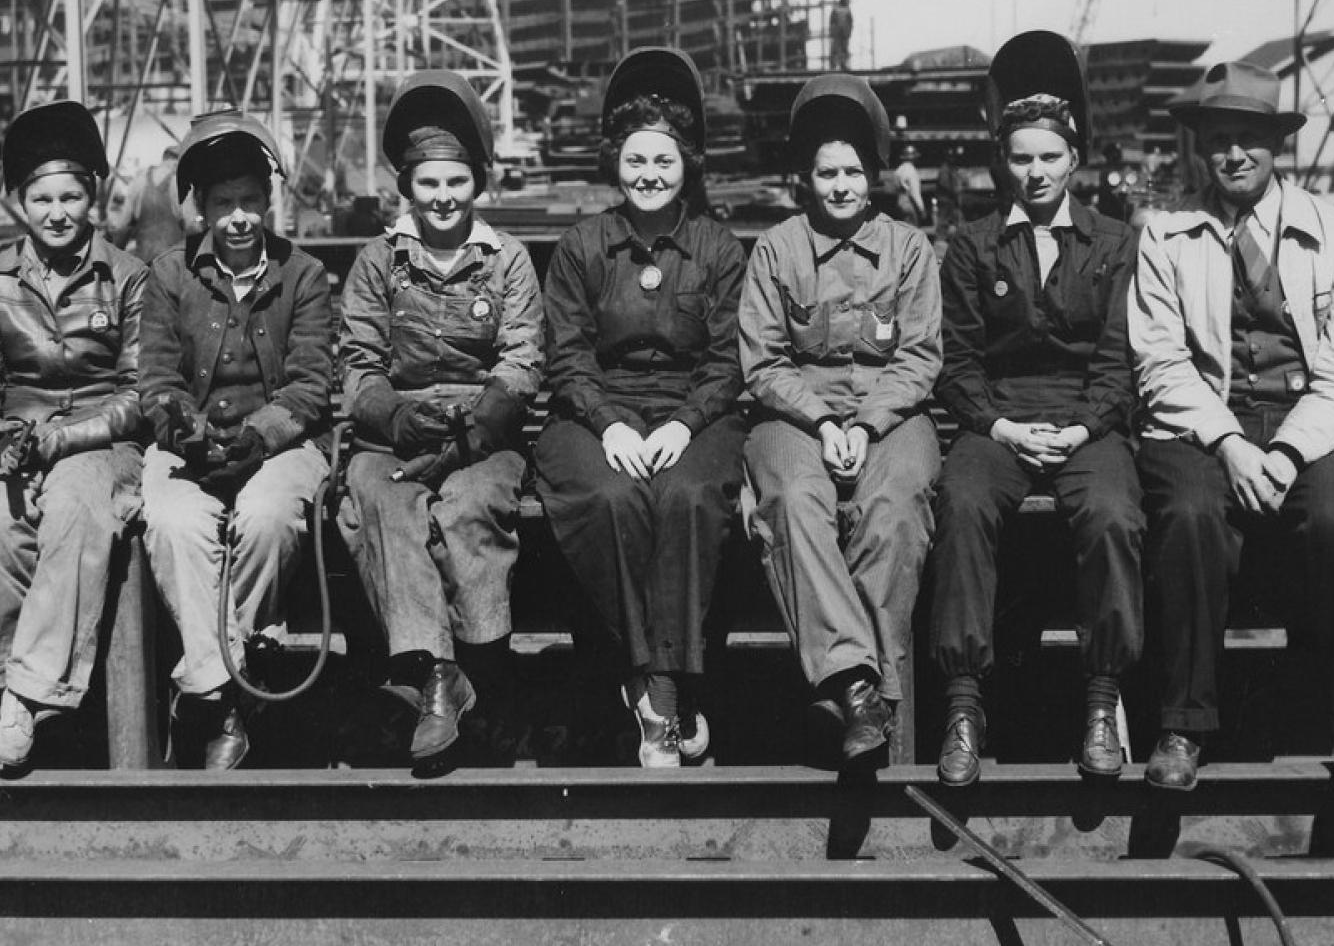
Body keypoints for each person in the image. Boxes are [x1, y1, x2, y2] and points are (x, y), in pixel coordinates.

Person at [1130, 61, 1334, 796]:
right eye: (1219, 139)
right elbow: (1160, 361)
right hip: (1203, 420)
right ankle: (1183, 727)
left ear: (1279, 145)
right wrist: (1230, 444)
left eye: (1250, 137)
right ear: (1200, 149)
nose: (1234, 154)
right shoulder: (1166, 236)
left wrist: (1282, 451)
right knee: (1186, 516)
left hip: (1314, 419)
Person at [927, 30, 1143, 787]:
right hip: (1001, 418)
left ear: (1074, 159)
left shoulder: (1116, 244)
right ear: (1003, 162)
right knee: (959, 501)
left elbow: (1121, 361)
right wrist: (1000, 427)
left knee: (1113, 512)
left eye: (1049, 157)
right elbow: (956, 364)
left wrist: (1084, 428)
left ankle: (1102, 695)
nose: (1035, 172)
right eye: (1021, 158)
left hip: (1091, 420)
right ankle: (963, 702)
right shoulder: (972, 246)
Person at [533, 48, 747, 768]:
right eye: (634, 161)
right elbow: (565, 354)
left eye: (663, 161)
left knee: (689, 496)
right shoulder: (583, 245)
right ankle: (661, 692)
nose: (648, 175)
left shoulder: (716, 248)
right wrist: (609, 422)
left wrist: (687, 423)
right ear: (614, 164)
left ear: (687, 164)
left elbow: (726, 360)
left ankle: (660, 687)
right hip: (597, 412)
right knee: (608, 496)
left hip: (695, 412)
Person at [336, 71, 544, 766]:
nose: (443, 198)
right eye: (428, 184)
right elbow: (358, 363)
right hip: (396, 432)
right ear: (407, 188)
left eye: (456, 182)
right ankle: (435, 675)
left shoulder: (506, 260)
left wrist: (472, 434)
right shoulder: (378, 262)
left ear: (477, 184)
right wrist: (395, 420)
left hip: (483, 434)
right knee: (383, 502)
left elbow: (520, 361)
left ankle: (486, 670)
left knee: (468, 507)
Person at [739, 74, 942, 769]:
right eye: (826, 173)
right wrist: (826, 423)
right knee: (792, 500)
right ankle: (859, 686)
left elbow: (918, 357)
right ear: (806, 178)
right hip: (794, 415)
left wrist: (870, 423)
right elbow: (763, 362)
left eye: (853, 171)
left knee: (896, 508)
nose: (841, 186)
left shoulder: (908, 249)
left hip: (893, 413)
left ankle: (865, 706)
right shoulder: (778, 250)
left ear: (873, 176)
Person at [0, 101, 148, 769]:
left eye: (71, 196)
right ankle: (26, 687)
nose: (57, 212)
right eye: (41, 198)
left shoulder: (127, 275)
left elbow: (138, 391)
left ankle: (25, 697)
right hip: (19, 430)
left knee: (73, 509)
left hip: (99, 436)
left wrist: (70, 439)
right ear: (20, 202)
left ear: (92, 196)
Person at [138, 110, 333, 770]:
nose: (240, 218)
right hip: (190, 449)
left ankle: (204, 687)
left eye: (251, 200)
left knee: (270, 516)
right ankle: (226, 696)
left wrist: (259, 436)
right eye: (224, 204)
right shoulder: (168, 277)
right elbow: (157, 379)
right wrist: (181, 429)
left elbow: (310, 386)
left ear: (268, 200)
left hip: (279, 446)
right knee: (171, 521)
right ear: (201, 208)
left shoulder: (303, 276)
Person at [108, 143, 191, 263]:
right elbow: (193, 226)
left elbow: (123, 225)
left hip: (144, 261)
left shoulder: (140, 180)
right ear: (178, 161)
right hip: (174, 265)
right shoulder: (180, 183)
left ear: (164, 159)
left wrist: (115, 257)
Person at [892, 144, 927, 227]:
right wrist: (922, 209)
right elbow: (914, 193)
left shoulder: (898, 170)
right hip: (910, 202)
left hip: (900, 201)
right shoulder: (911, 171)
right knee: (912, 229)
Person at [828, 0, 854, 70]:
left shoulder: (836, 10)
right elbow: (850, 22)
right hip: (841, 33)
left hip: (841, 33)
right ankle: (838, 64)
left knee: (841, 49)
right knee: (840, 49)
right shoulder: (846, 11)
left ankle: (838, 64)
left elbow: (850, 22)